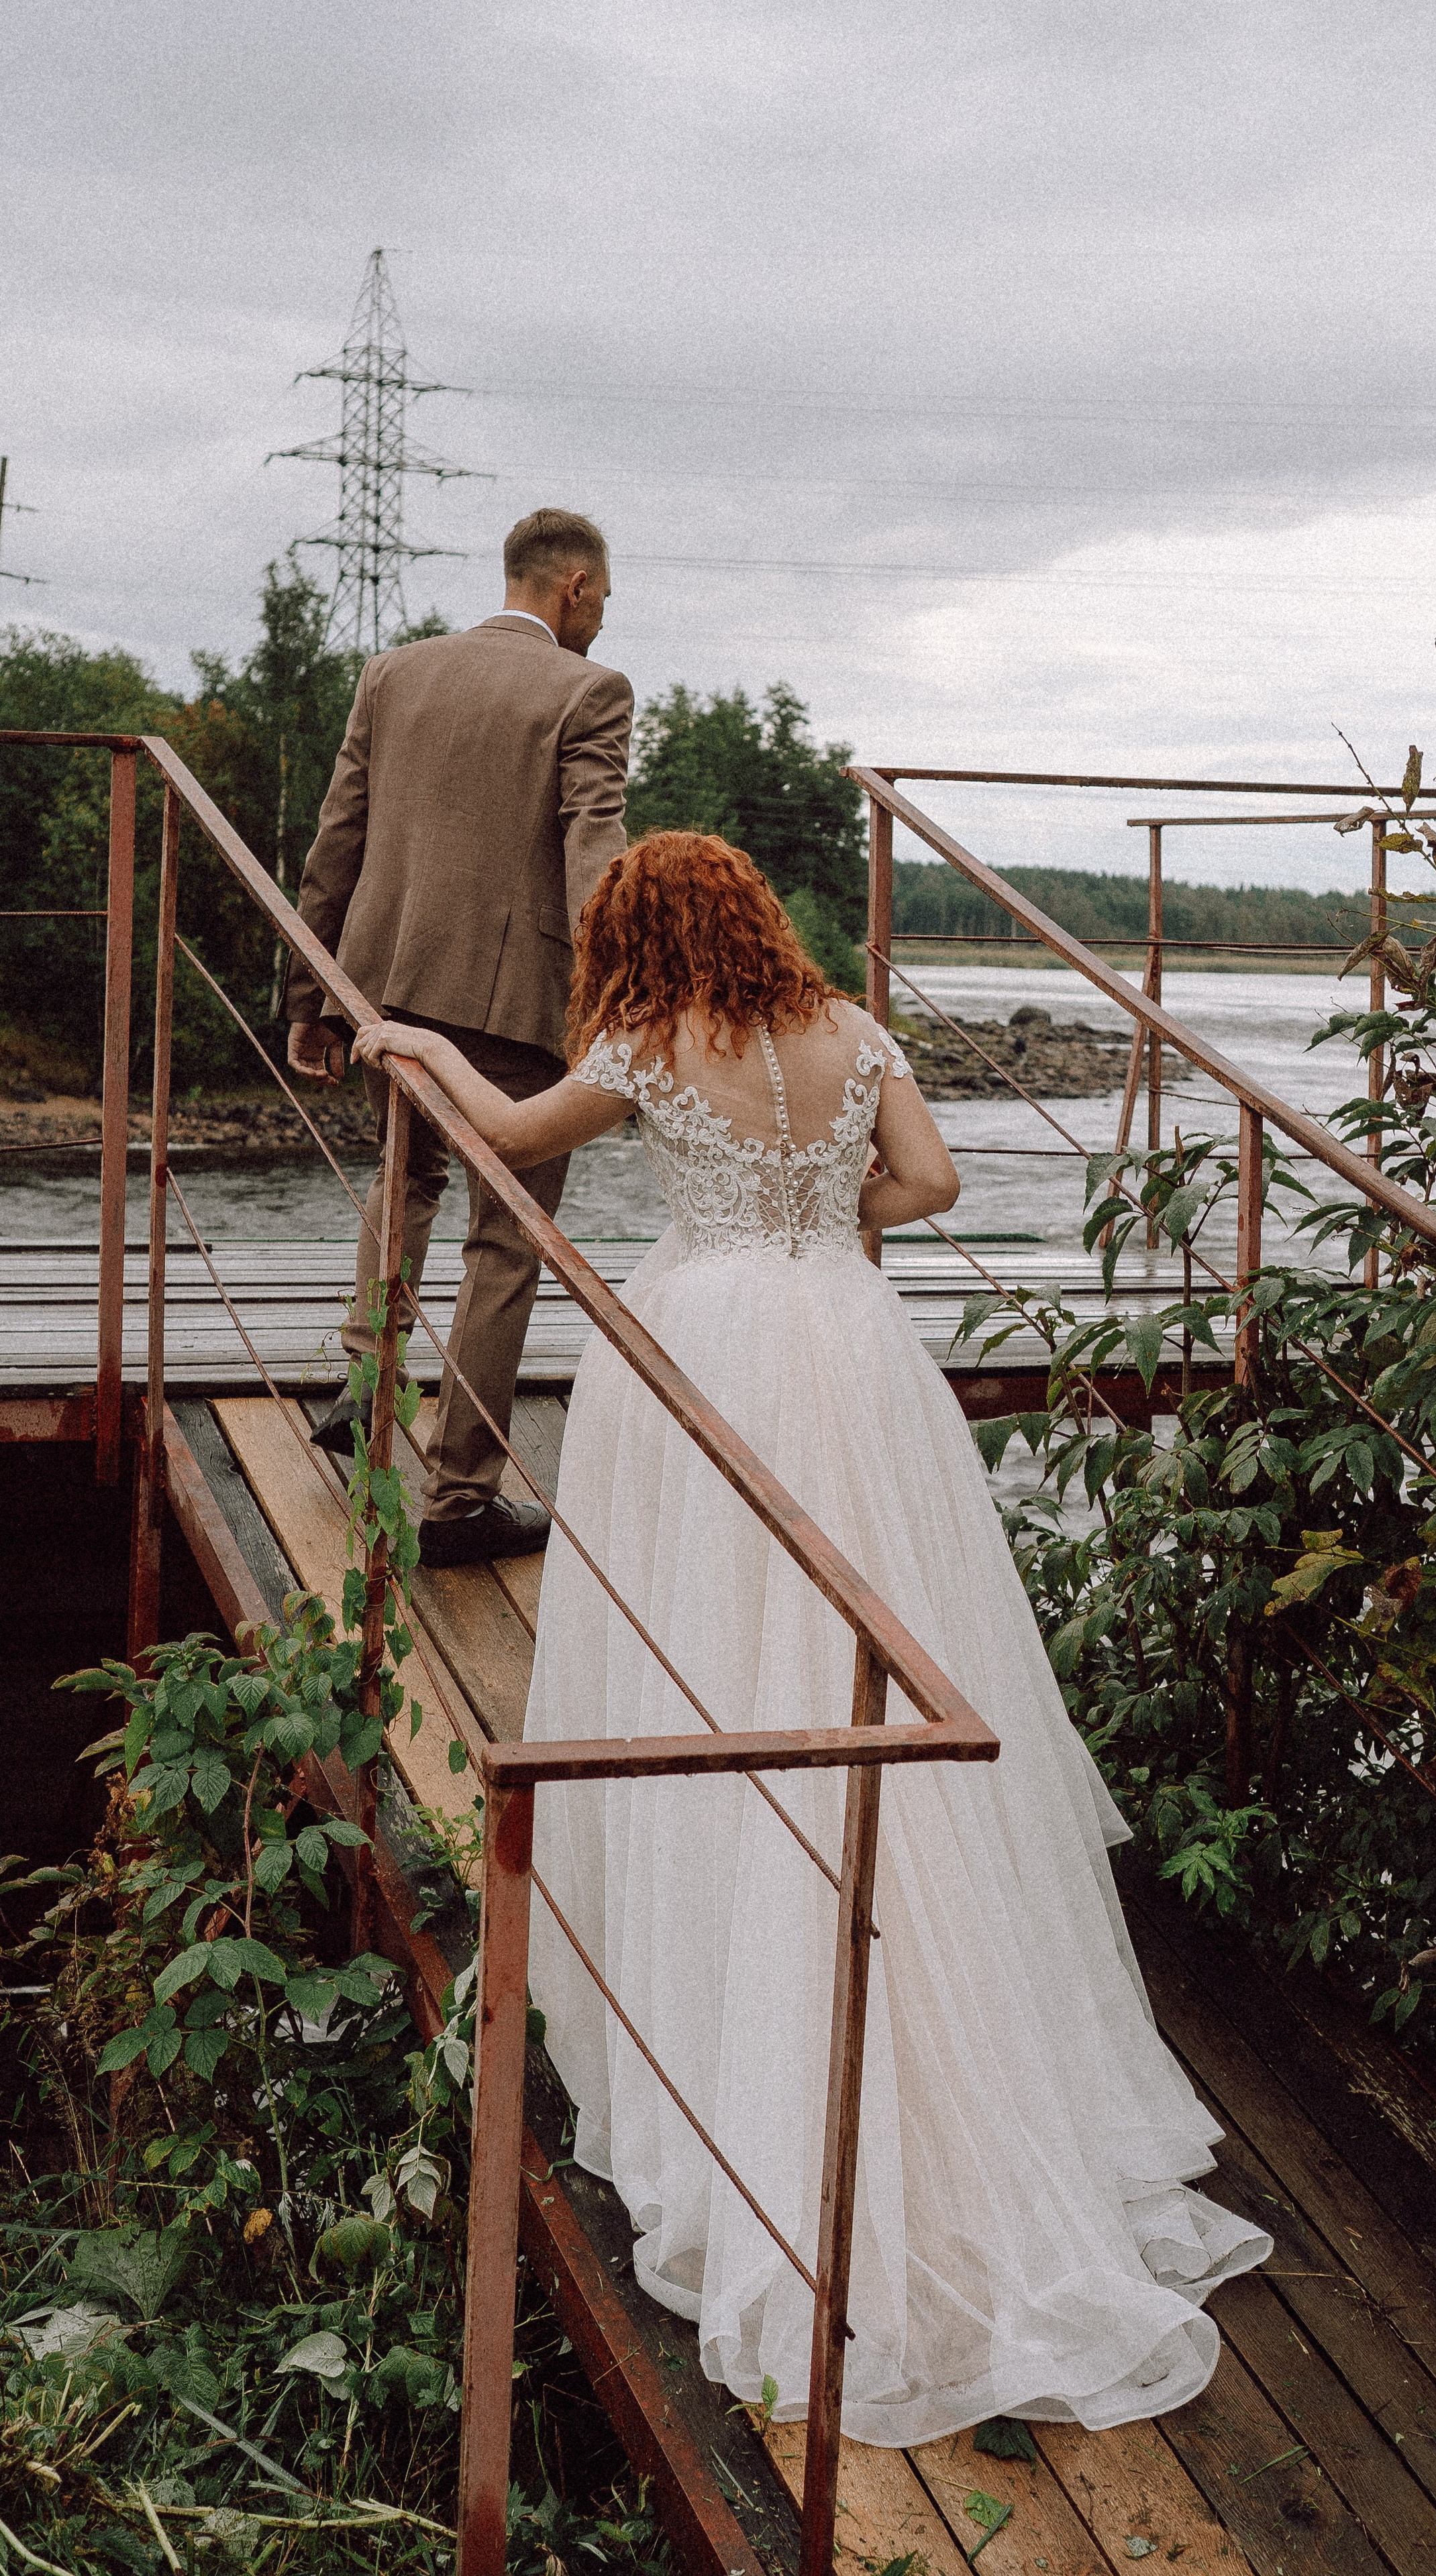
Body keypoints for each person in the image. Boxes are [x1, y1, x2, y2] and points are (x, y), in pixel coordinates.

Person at [353, 830, 1269, 2445]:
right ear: (757, 918)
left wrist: (414, 1047)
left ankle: (727, 1968)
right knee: (883, 1611)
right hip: (848, 1337)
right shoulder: (852, 1029)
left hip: (706, 1333)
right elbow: (932, 1186)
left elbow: (507, 1133)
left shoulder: (647, 1038)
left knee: (709, 1633)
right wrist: (827, 1221)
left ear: (638, 935)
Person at [285, 508, 632, 1567]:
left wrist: (312, 995)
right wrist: (617, 992)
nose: (604, 619)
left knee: (405, 1177)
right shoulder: (589, 691)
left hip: (384, 987)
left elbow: (339, 834)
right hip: (516, 1005)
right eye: (605, 599)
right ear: (573, 587)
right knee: (507, 1240)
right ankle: (459, 1502)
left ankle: (366, 1379)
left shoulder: (395, 674)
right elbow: (595, 848)